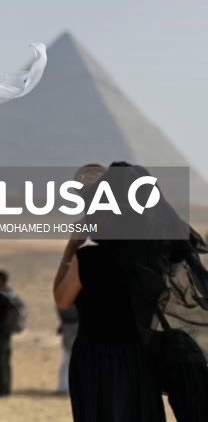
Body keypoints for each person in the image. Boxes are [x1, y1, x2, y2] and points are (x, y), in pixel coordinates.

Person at [53, 162, 208, 422]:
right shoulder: (156, 260)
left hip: (95, 361)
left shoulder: (89, 259)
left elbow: (61, 298)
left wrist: (70, 247)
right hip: (138, 360)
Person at [56, 305, 79, 394]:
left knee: (66, 360)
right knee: (68, 360)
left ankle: (63, 386)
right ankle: (64, 387)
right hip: (72, 330)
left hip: (68, 329)